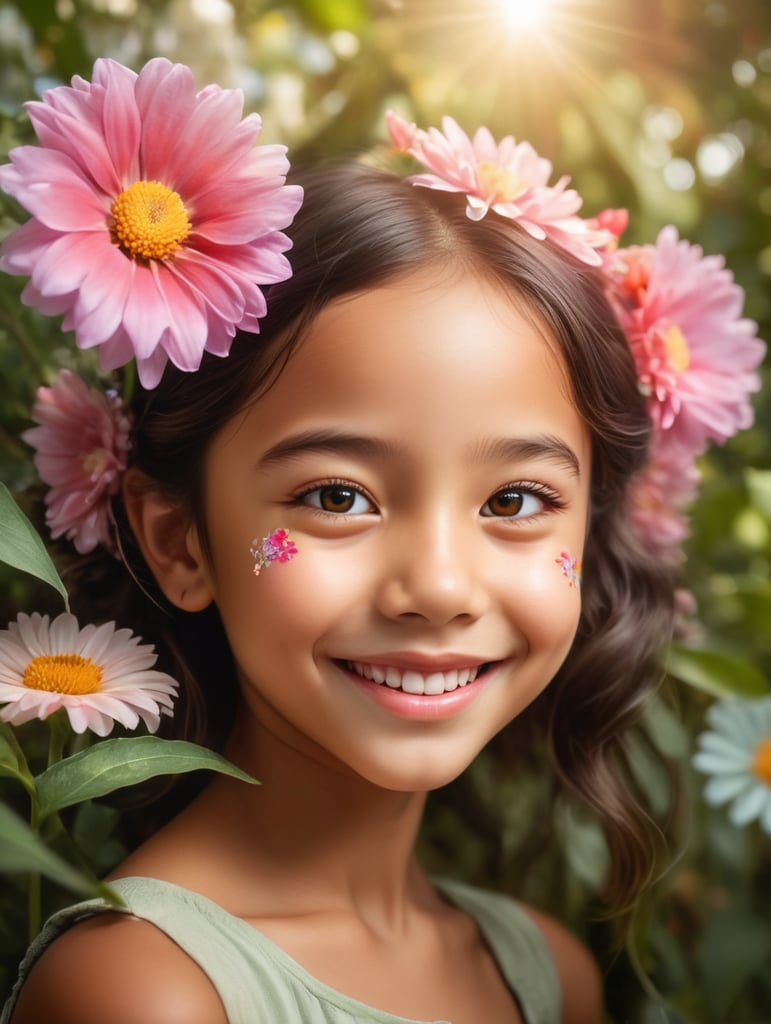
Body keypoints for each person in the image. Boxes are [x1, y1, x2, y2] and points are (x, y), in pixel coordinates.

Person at [0, 61, 763, 1024]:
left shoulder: (547, 978)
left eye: (516, 500)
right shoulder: (140, 994)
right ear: (179, 541)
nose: (438, 586)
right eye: (337, 496)